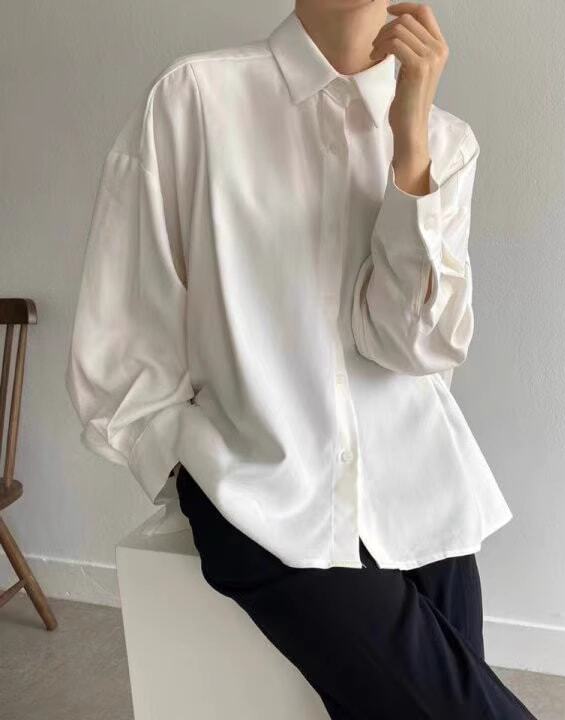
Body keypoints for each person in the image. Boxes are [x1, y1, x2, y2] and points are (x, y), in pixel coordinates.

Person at [66, 1, 537, 717]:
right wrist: (181, 463)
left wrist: (409, 153)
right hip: (259, 483)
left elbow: (410, 346)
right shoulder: (196, 100)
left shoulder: (444, 141)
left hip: (417, 482)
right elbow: (125, 323)